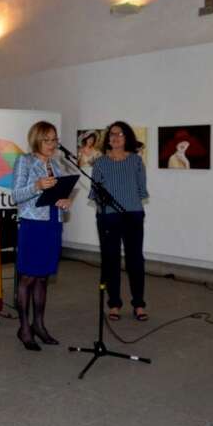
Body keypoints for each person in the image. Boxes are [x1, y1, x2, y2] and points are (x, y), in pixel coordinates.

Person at [11, 121, 72, 351]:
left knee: (43, 278)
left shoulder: (57, 165)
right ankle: (24, 328)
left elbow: (60, 194)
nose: (52, 144)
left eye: (54, 139)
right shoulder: (24, 161)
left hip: (52, 225)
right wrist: (36, 185)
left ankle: (39, 325)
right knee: (27, 278)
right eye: (47, 139)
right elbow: (16, 195)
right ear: (36, 139)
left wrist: (66, 202)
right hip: (33, 225)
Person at [90, 121, 149, 321]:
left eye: (120, 134)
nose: (115, 137)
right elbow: (95, 193)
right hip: (108, 216)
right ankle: (114, 304)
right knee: (110, 260)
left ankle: (139, 304)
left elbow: (142, 189)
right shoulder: (99, 163)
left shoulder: (136, 161)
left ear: (127, 138)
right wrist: (104, 208)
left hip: (132, 214)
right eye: (112, 134)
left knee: (135, 260)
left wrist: (130, 202)